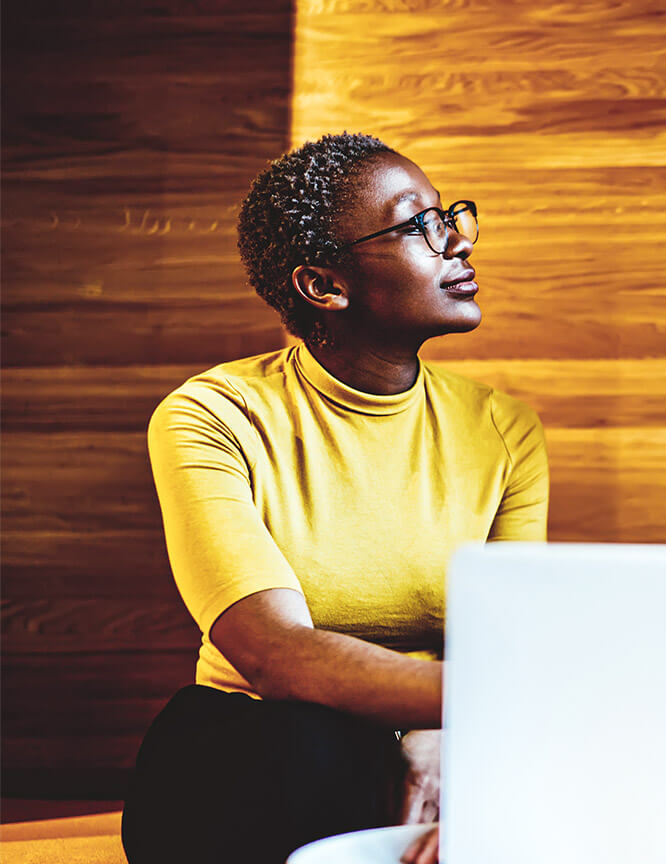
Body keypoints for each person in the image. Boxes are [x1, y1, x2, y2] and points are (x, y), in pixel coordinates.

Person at [121, 133, 547, 864]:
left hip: (448, 731)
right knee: (314, 744)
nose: (457, 244)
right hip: (260, 746)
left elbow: (504, 639)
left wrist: (447, 739)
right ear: (324, 285)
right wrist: (475, 708)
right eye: (420, 225)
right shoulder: (213, 414)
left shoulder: (504, 430)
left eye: (452, 218)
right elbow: (272, 654)